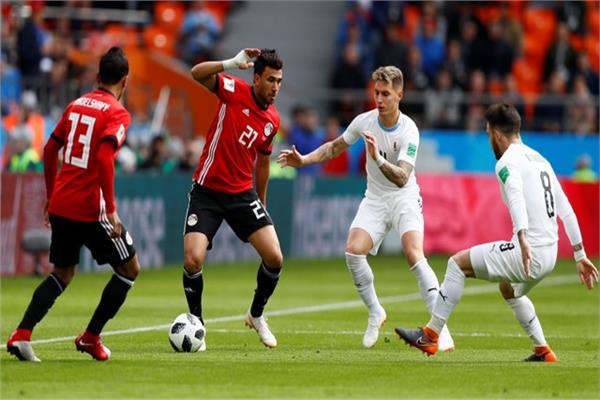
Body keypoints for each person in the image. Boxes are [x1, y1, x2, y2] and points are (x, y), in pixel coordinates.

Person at [395, 103, 598, 362]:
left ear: (498, 134)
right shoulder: (541, 160)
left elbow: (515, 194)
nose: (489, 139)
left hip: (529, 252)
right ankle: (543, 350)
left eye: (488, 133)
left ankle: (430, 335)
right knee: (508, 288)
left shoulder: (506, 162)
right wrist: (580, 255)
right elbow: (566, 209)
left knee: (456, 264)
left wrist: (522, 236)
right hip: (550, 253)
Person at [278, 66, 454, 350]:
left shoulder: (409, 130)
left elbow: (402, 177)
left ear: (400, 95)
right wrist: (305, 160)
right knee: (353, 251)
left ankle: (439, 329)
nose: (379, 99)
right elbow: (334, 147)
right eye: (377, 93)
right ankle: (375, 311)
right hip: (375, 198)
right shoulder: (365, 121)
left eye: (386, 94)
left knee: (413, 253)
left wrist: (378, 159)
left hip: (404, 197)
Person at [6, 47, 141, 362]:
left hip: (62, 203)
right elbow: (105, 156)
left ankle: (22, 334)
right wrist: (111, 208)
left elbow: (49, 149)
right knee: (129, 268)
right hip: (90, 209)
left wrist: (51, 194)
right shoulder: (117, 113)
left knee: (62, 272)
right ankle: (91, 337)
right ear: (125, 81)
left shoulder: (75, 104)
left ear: (97, 76)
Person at [183, 48, 284, 349]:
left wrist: (262, 202)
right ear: (256, 79)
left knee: (275, 258)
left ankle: (256, 314)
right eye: (270, 80)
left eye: (279, 81)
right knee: (193, 259)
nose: (275, 87)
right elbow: (196, 73)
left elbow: (263, 163)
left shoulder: (273, 120)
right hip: (207, 192)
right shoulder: (233, 90)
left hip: (242, 194)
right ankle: (197, 324)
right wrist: (230, 63)